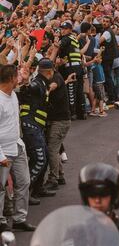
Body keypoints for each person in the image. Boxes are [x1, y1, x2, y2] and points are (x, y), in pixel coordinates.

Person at [0, 64, 34, 233]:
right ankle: (1, 222)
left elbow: (28, 94)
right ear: (11, 78)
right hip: (3, 152)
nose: (19, 79)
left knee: (24, 182)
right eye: (17, 76)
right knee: (0, 188)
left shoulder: (12, 94)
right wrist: (0, 156)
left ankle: (20, 219)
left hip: (17, 146)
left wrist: (26, 81)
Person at [18, 59, 56, 199]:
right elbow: (30, 88)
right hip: (31, 127)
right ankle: (24, 193)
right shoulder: (37, 83)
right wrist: (26, 83)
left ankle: (38, 188)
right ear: (48, 71)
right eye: (52, 70)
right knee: (39, 159)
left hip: (37, 127)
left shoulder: (43, 83)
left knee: (44, 159)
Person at [42, 63, 74, 194]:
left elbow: (53, 85)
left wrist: (45, 91)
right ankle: (60, 175)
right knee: (54, 149)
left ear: (49, 71)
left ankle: (53, 179)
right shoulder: (58, 77)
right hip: (59, 120)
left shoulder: (56, 77)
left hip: (60, 122)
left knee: (52, 150)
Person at [57, 21, 85, 119]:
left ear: (69, 30)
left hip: (71, 67)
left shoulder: (66, 38)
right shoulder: (74, 39)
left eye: (64, 29)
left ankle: (72, 113)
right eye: (61, 29)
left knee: (71, 89)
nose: (62, 31)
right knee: (80, 91)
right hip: (78, 67)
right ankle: (82, 112)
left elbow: (58, 46)